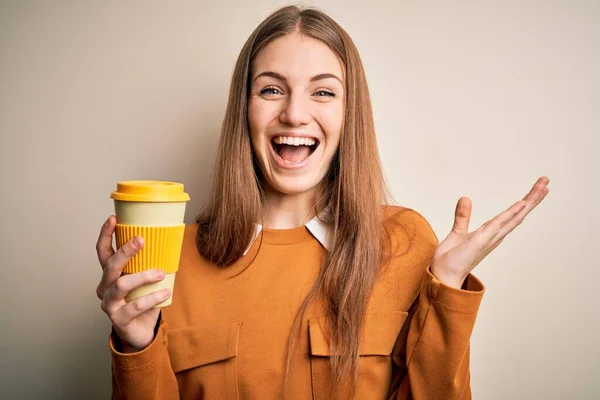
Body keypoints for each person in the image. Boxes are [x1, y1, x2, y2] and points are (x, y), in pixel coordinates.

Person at [95, 5, 549, 400]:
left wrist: (447, 286)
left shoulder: (404, 242)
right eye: (271, 89)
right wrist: (137, 343)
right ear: (244, 109)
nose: (294, 113)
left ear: (349, 113)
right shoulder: (172, 258)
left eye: (324, 91)